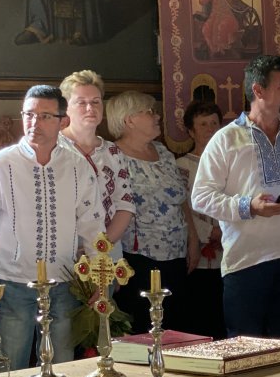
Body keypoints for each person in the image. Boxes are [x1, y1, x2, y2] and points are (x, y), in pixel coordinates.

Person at [192, 54, 280, 340]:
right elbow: (200, 196)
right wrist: (248, 206)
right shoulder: (226, 139)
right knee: (245, 351)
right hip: (246, 261)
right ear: (258, 90)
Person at [0, 85, 102, 369]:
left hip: (63, 283)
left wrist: (98, 275)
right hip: (11, 283)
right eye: (28, 115)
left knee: (62, 368)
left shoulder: (78, 166)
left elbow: (92, 223)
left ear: (63, 121)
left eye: (45, 116)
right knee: (9, 369)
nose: (34, 123)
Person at [108, 92, 198, 334]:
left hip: (176, 255)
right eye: (149, 112)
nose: (157, 116)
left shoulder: (163, 152)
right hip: (137, 258)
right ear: (129, 120)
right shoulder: (112, 156)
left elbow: (181, 199)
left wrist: (193, 238)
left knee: (176, 326)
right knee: (143, 328)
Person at [58, 70, 134, 263]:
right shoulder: (53, 148)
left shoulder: (113, 152)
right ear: (66, 108)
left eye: (95, 101)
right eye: (81, 102)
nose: (90, 108)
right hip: (62, 256)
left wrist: (99, 248)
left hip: (106, 255)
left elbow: (124, 205)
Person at [175, 101, 226, 341]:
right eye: (203, 124)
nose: (210, 129)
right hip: (197, 253)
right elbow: (182, 207)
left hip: (227, 252)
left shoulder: (229, 162)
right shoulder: (181, 166)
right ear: (191, 131)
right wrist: (209, 232)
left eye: (214, 123)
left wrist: (224, 230)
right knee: (198, 316)